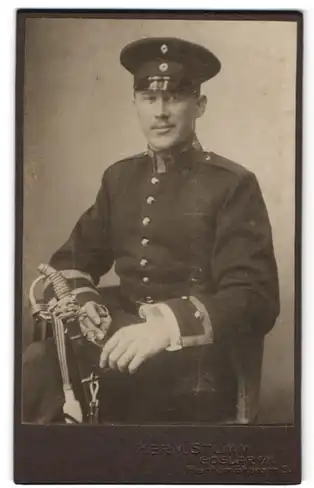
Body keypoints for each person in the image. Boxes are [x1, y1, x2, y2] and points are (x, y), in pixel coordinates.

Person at [22, 37, 280, 425]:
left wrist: (164, 329)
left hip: (193, 367)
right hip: (117, 343)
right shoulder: (120, 178)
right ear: (135, 105)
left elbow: (253, 297)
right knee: (38, 366)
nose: (160, 112)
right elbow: (71, 260)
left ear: (200, 106)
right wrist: (85, 303)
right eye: (148, 98)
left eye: (175, 98)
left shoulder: (232, 184)